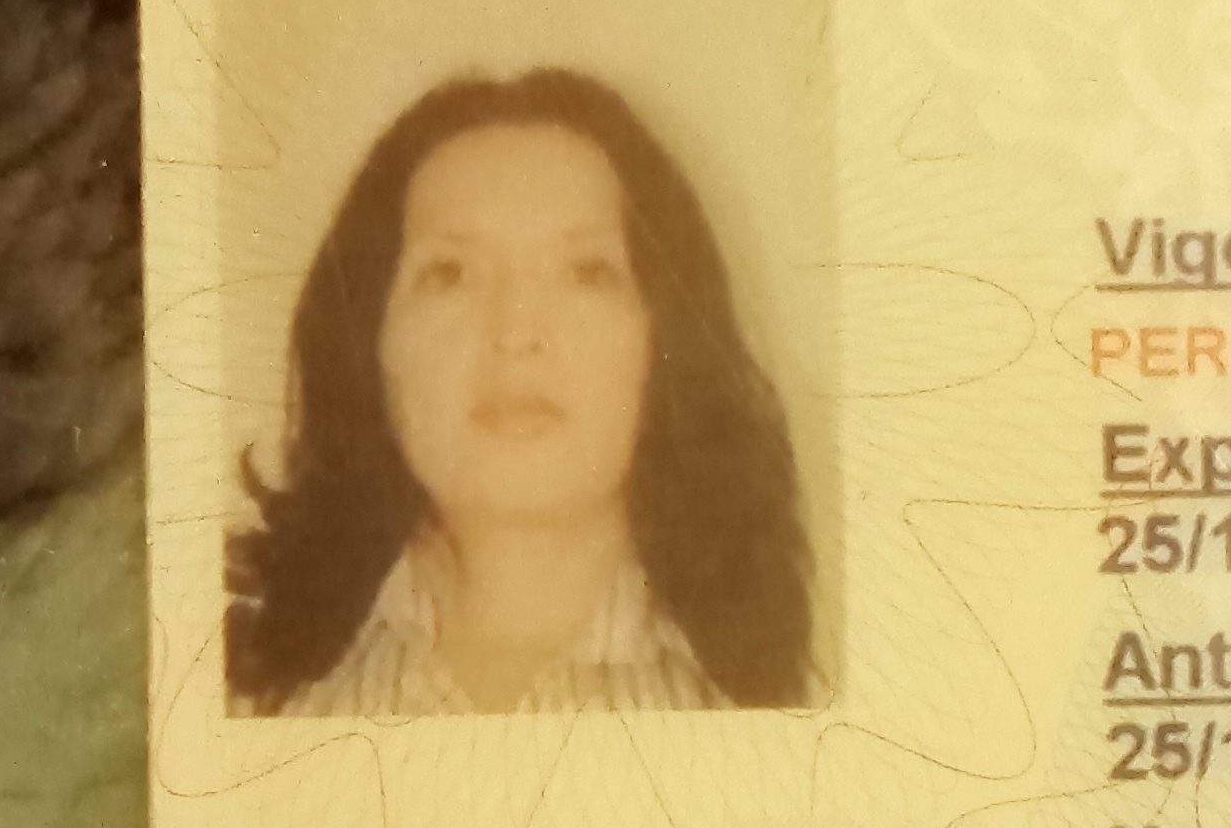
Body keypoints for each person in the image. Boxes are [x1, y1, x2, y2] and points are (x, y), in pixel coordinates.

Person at [227, 68, 811, 716]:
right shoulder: (254, 701)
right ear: (371, 342)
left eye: (586, 272)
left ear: (664, 337)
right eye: (450, 273)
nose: (515, 331)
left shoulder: (784, 699)